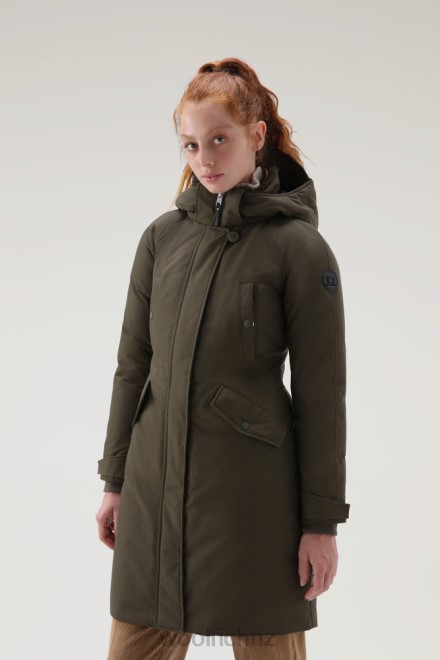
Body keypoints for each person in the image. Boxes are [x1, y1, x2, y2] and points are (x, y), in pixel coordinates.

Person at [95, 57, 350, 660]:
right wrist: (115, 480)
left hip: (254, 500)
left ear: (256, 136)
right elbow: (133, 366)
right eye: (191, 144)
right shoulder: (161, 239)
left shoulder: (298, 247)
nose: (204, 158)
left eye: (219, 139)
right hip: (154, 490)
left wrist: (321, 524)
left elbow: (322, 392)